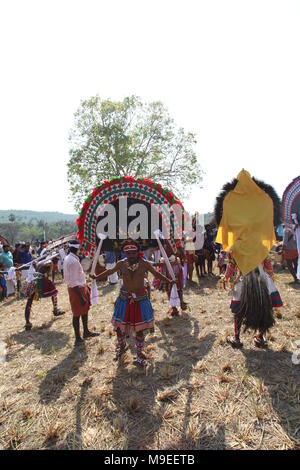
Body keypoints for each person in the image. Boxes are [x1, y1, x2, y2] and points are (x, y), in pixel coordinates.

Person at [91, 239, 175, 367]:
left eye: (133, 253)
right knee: (120, 328)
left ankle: (140, 353)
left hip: (140, 300)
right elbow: (110, 272)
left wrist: (170, 280)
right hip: (124, 299)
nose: (131, 256)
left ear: (138, 252)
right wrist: (96, 277)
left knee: (139, 330)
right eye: (128, 253)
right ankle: (121, 345)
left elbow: (156, 274)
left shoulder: (144, 263)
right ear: (125, 253)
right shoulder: (121, 263)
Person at [63, 240, 99, 345]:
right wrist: (81, 297)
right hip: (77, 290)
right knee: (77, 314)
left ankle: (86, 332)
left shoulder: (69, 258)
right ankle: (78, 338)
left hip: (79, 288)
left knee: (84, 311)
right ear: (77, 249)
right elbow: (73, 282)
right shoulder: (73, 261)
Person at [22, 262, 65, 330]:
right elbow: (45, 275)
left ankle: (27, 322)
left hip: (33, 282)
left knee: (29, 302)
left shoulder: (39, 264)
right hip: (40, 283)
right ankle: (55, 310)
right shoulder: (47, 264)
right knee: (54, 292)